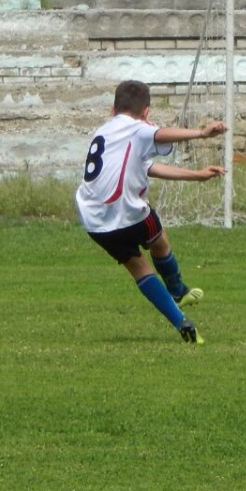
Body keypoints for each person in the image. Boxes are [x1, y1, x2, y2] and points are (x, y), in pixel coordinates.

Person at [75, 80, 226, 344]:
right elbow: (159, 134)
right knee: (159, 240)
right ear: (146, 112)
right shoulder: (137, 128)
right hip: (125, 210)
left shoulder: (106, 131)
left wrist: (197, 176)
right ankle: (178, 290)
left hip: (94, 220)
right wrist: (202, 133)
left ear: (112, 108)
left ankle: (182, 322)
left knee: (139, 267)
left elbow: (148, 168)